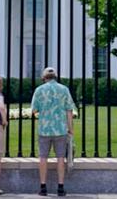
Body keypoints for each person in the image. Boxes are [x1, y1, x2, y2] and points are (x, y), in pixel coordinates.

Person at [30, 67, 75, 197]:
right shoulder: (64, 89)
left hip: (44, 128)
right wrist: (70, 128)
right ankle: (60, 187)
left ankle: (43, 187)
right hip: (60, 128)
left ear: (44, 78)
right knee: (61, 157)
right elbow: (69, 110)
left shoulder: (39, 90)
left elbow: (34, 110)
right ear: (55, 77)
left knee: (43, 157)